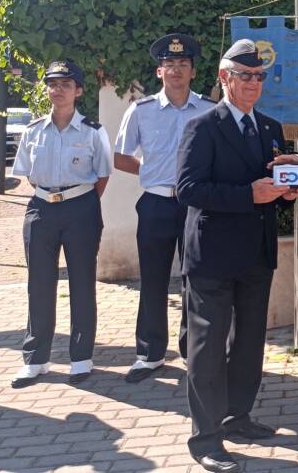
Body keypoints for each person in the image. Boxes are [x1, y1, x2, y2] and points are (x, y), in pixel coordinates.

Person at [176, 39, 298, 473]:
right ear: (225, 77)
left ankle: (237, 416)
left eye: (259, 76)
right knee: (207, 349)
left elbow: (271, 192)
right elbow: (188, 190)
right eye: (245, 75)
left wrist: (288, 189)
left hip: (256, 253)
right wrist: (249, 195)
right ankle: (206, 438)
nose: (253, 83)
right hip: (212, 256)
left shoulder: (269, 127)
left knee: (249, 342)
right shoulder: (202, 126)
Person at [114, 33, 214, 383]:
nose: (175, 70)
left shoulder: (208, 110)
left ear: (192, 71)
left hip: (194, 206)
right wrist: (152, 171)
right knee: (153, 280)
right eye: (169, 65)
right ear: (160, 72)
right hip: (155, 202)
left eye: (182, 65)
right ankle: (150, 353)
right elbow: (121, 156)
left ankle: (193, 352)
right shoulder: (140, 111)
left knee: (195, 279)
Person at [10, 59, 112, 388]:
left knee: (82, 283)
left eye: (66, 84)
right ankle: (35, 359)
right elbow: (26, 173)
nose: (58, 90)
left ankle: (81, 358)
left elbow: (103, 175)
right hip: (41, 209)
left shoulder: (95, 132)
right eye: (53, 84)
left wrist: (79, 201)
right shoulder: (33, 130)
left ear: (78, 90)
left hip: (81, 208)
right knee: (39, 284)